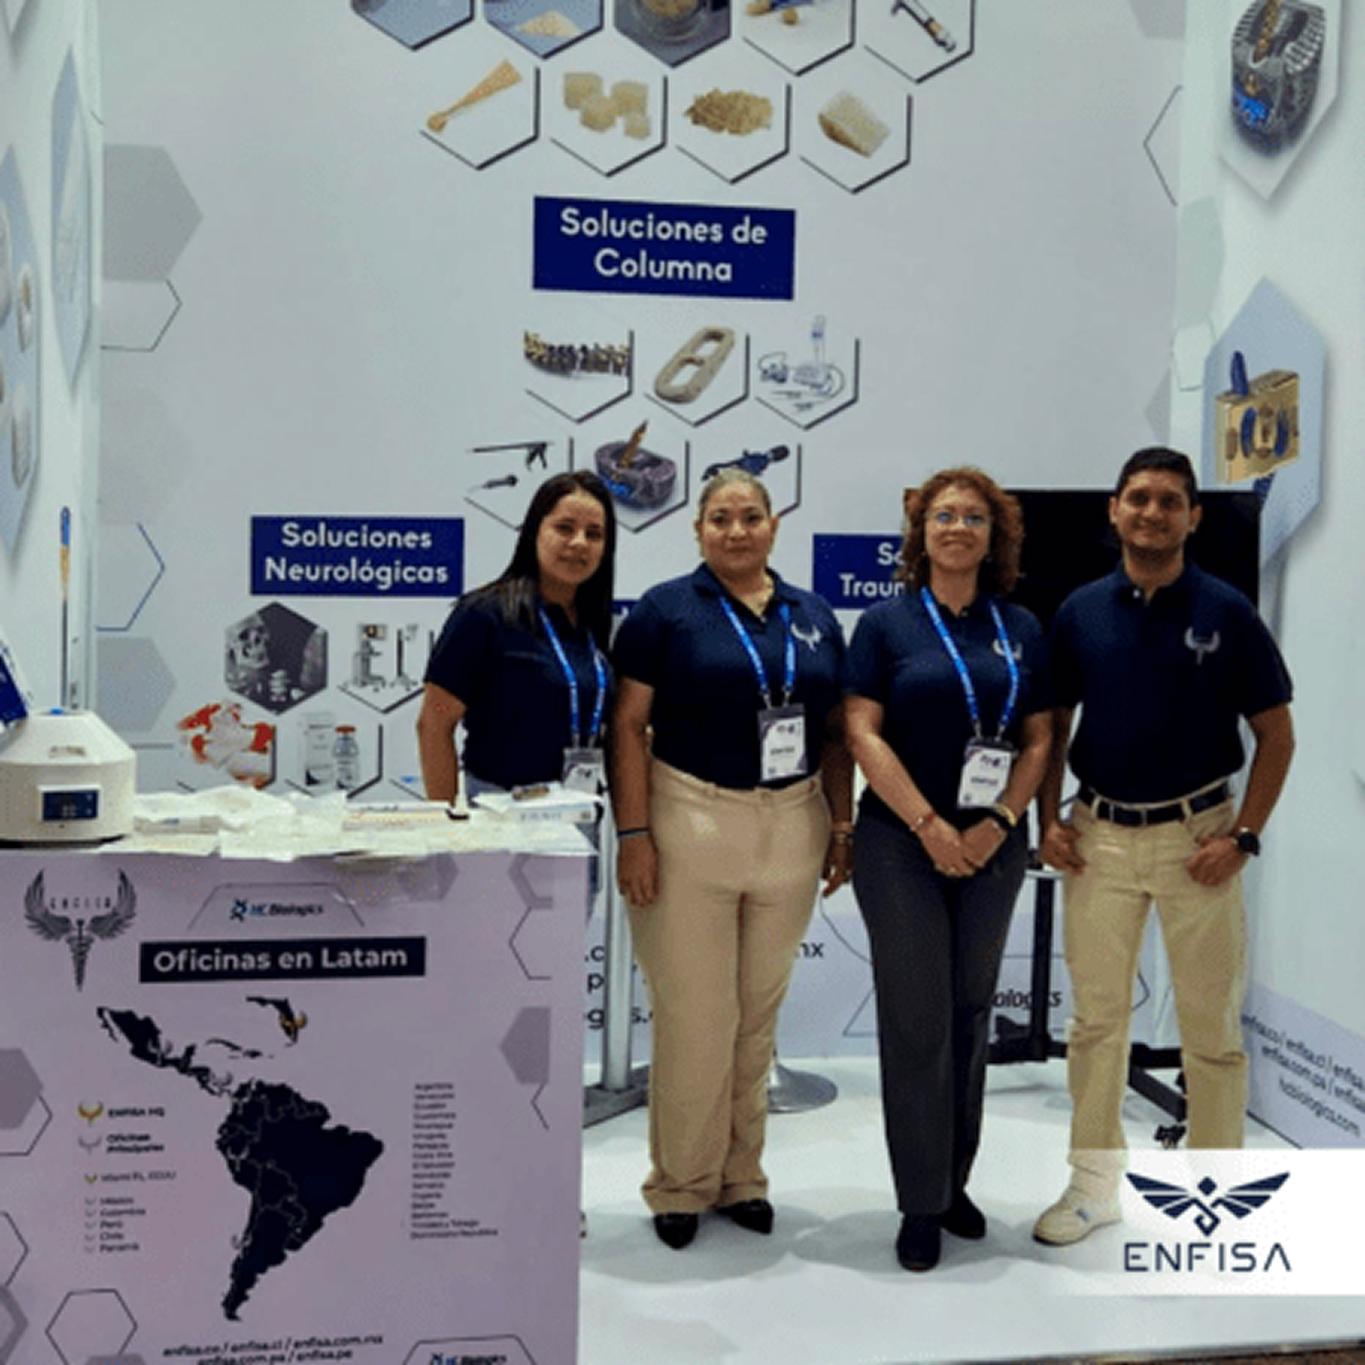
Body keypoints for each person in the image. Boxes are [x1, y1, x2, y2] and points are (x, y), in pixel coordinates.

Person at [1032, 447, 1294, 1247]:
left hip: (1200, 838)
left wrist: (1244, 836)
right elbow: (1051, 725)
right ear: (1112, 510)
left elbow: (1275, 735)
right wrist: (1048, 820)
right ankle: (1091, 1185)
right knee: (1095, 1025)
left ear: (1193, 516)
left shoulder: (1226, 611)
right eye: (1138, 498)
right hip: (1099, 837)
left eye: (1168, 501)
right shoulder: (1078, 610)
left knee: (1210, 1030)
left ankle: (1216, 1197)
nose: (1151, 513)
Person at [610, 469, 853, 1251]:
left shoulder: (812, 614)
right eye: (719, 518)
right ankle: (680, 1182)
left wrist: (842, 826)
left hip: (792, 820)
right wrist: (634, 833)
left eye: (750, 516)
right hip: (690, 817)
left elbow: (835, 733)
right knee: (696, 1019)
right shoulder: (664, 611)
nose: (736, 530)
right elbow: (626, 728)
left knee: (755, 1017)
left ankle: (741, 1175)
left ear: (774, 524)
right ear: (698, 530)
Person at [845, 467, 1052, 1273]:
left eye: (972, 516)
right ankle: (917, 1201)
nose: (956, 526)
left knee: (970, 1016)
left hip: (992, 844)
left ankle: (954, 1182)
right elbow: (861, 731)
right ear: (919, 532)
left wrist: (1000, 820)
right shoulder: (886, 623)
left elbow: (1039, 737)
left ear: (993, 534)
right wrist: (930, 824)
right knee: (917, 1018)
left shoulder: (1021, 627)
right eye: (941, 514)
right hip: (900, 843)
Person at [417, 470, 616, 803]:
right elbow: (433, 725)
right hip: (501, 818)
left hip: (578, 815)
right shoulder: (484, 614)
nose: (580, 542)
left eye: (594, 534)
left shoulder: (595, 626)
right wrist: (447, 822)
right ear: (534, 531)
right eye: (564, 528)